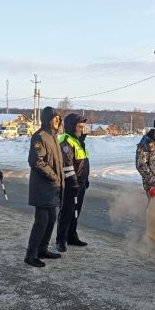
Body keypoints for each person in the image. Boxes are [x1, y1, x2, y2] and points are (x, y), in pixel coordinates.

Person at [25, 107, 64, 267]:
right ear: (47, 119)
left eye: (59, 119)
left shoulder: (54, 136)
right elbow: (36, 161)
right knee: (41, 221)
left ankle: (42, 249)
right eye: (55, 118)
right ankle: (31, 254)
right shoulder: (40, 137)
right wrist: (54, 177)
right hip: (42, 186)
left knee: (51, 219)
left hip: (52, 187)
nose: (58, 121)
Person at [55, 113, 90, 253]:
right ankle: (61, 240)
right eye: (79, 126)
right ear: (71, 126)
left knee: (76, 211)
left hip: (80, 182)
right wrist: (74, 183)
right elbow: (67, 165)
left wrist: (85, 179)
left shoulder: (77, 141)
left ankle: (72, 236)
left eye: (83, 126)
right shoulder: (66, 141)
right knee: (67, 211)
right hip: (69, 183)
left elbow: (82, 162)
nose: (82, 129)